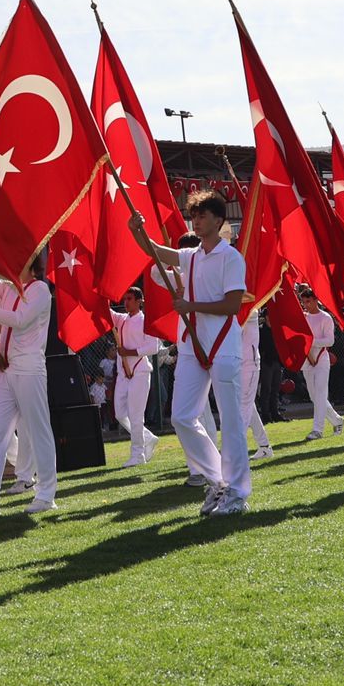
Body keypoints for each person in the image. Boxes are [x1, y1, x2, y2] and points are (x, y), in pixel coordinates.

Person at [129, 191, 251, 515]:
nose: (195, 221)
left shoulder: (231, 257)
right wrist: (136, 230)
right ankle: (218, 481)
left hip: (223, 347)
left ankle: (237, 493)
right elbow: (155, 251)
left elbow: (233, 305)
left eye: (202, 215)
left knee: (231, 422)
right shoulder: (190, 256)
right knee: (182, 416)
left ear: (218, 220)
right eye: (193, 216)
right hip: (192, 346)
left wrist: (190, 305)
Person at [0, 252, 59, 517]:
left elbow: (19, 320)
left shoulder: (40, 290)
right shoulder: (8, 288)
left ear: (31, 263)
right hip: (4, 370)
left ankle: (46, 495)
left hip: (29, 368)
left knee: (39, 431)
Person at [110, 288, 160, 466]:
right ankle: (148, 437)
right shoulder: (122, 319)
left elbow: (153, 347)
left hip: (140, 372)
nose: (126, 302)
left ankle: (138, 455)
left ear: (139, 301)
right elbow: (107, 314)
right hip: (124, 373)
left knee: (136, 415)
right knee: (119, 413)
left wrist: (129, 352)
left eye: (129, 299)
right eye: (125, 299)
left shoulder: (146, 321)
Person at [297, 288, 344, 438]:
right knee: (314, 396)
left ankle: (317, 429)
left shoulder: (325, 317)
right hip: (307, 359)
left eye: (308, 301)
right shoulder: (303, 317)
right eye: (303, 302)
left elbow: (330, 341)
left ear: (315, 300)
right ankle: (337, 420)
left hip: (322, 358)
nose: (305, 305)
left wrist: (311, 342)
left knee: (320, 393)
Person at [238, 309, 275, 460]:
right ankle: (264, 446)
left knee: (243, 407)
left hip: (249, 364)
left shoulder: (250, 309)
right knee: (247, 406)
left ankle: (235, 452)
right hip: (235, 364)